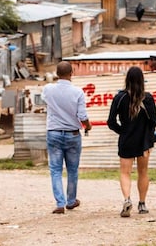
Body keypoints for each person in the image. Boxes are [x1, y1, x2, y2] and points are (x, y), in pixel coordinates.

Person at [107, 66, 156, 218]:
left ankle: (127, 199)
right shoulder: (148, 98)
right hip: (144, 142)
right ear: (142, 80)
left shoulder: (120, 98)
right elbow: (154, 120)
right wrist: (149, 136)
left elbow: (111, 122)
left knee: (125, 172)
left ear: (126, 79)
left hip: (127, 141)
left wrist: (122, 131)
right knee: (143, 172)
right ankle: (142, 204)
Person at [41, 61, 92, 214]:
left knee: (55, 170)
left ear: (57, 73)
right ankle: (71, 201)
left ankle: (59, 203)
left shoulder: (48, 89)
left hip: (54, 133)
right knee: (72, 170)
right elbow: (82, 116)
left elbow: (45, 100)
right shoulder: (78, 92)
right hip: (73, 134)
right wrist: (88, 126)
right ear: (72, 73)